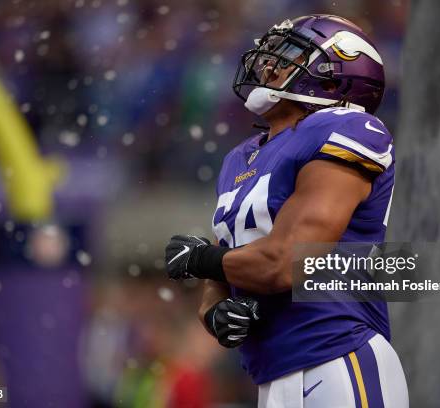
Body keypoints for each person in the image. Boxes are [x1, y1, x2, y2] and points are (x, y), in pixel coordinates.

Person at [165, 14, 408, 407]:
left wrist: (201, 259)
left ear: (333, 78)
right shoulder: (240, 158)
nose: (270, 64)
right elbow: (228, 267)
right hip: (271, 374)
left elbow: (288, 261)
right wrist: (215, 313)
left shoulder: (347, 127)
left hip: (336, 354)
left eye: (290, 54)